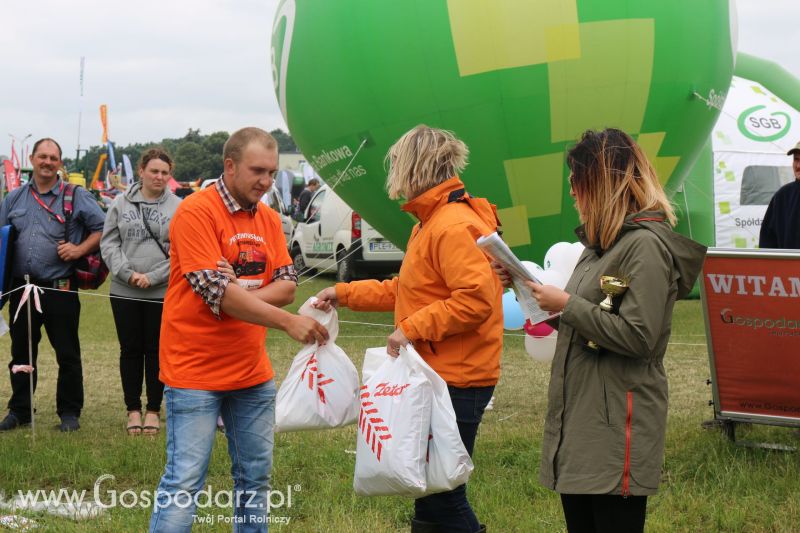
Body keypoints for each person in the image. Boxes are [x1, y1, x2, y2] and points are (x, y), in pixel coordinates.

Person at [496, 128, 706, 532]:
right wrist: (524, 287)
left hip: (616, 428)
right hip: (585, 421)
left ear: (603, 181)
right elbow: (587, 320)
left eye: (577, 181)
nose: (572, 193)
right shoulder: (601, 248)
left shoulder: (644, 246)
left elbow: (638, 337)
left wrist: (567, 303)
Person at [314, 125, 502, 533]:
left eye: (396, 162)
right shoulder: (431, 222)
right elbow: (408, 289)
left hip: (455, 378)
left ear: (416, 166)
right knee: (430, 493)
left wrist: (411, 329)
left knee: (444, 496)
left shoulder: (451, 225)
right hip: (441, 374)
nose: (392, 170)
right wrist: (343, 293)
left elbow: (475, 300)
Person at [148, 127, 328, 532]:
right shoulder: (196, 212)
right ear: (229, 166)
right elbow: (220, 294)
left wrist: (233, 295)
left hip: (251, 373)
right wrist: (270, 314)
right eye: (257, 171)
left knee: (255, 481)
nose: (265, 181)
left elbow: (287, 285)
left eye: (271, 172)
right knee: (184, 483)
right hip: (194, 373)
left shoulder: (267, 217)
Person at [0, 138, 105, 432]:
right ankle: (19, 410)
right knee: (21, 353)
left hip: (60, 288)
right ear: (32, 159)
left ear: (60, 162)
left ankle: (69, 413)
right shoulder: (14, 198)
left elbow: (104, 227)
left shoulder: (75, 195)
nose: (47, 162)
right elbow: (2, 238)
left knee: (67, 353)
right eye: (42, 156)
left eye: (53, 158)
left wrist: (79, 249)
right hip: (21, 289)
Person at [100, 148, 181, 436]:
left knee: (157, 352)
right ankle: (133, 409)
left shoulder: (179, 207)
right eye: (154, 171)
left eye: (164, 172)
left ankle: (154, 410)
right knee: (130, 350)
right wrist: (129, 274)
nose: (159, 176)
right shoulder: (120, 203)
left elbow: (184, 252)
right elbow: (109, 243)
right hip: (125, 290)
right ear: (141, 171)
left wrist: (153, 277)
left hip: (162, 292)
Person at [758, 140, 800, 249]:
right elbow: (767, 240)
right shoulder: (783, 195)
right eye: (796, 159)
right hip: (788, 265)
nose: (798, 165)